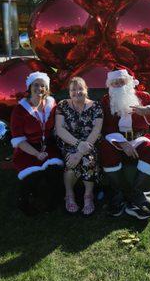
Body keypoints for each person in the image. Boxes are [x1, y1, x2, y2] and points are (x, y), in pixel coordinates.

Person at [98, 69, 150, 220]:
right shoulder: (106, 100)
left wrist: (148, 110)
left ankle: (140, 198)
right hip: (116, 139)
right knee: (106, 149)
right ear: (110, 85)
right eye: (114, 83)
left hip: (139, 138)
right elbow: (105, 127)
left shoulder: (143, 97)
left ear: (129, 81)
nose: (118, 85)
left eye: (121, 81)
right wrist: (122, 143)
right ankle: (117, 195)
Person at [10, 71, 64, 215]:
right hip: (27, 150)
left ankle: (52, 202)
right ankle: (30, 203)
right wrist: (36, 153)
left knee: (55, 173)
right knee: (35, 178)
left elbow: (59, 127)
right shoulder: (19, 110)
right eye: (36, 85)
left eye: (43, 86)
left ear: (47, 89)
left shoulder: (52, 105)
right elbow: (18, 139)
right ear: (29, 87)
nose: (39, 88)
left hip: (49, 147)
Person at [55, 77, 103, 216]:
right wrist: (77, 145)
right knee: (71, 160)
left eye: (80, 88)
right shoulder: (62, 105)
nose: (77, 92)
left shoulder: (96, 106)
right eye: (73, 89)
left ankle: (88, 196)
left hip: (90, 142)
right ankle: (69, 194)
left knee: (87, 159)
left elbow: (96, 130)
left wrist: (80, 152)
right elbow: (60, 129)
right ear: (69, 92)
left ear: (86, 90)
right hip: (68, 142)